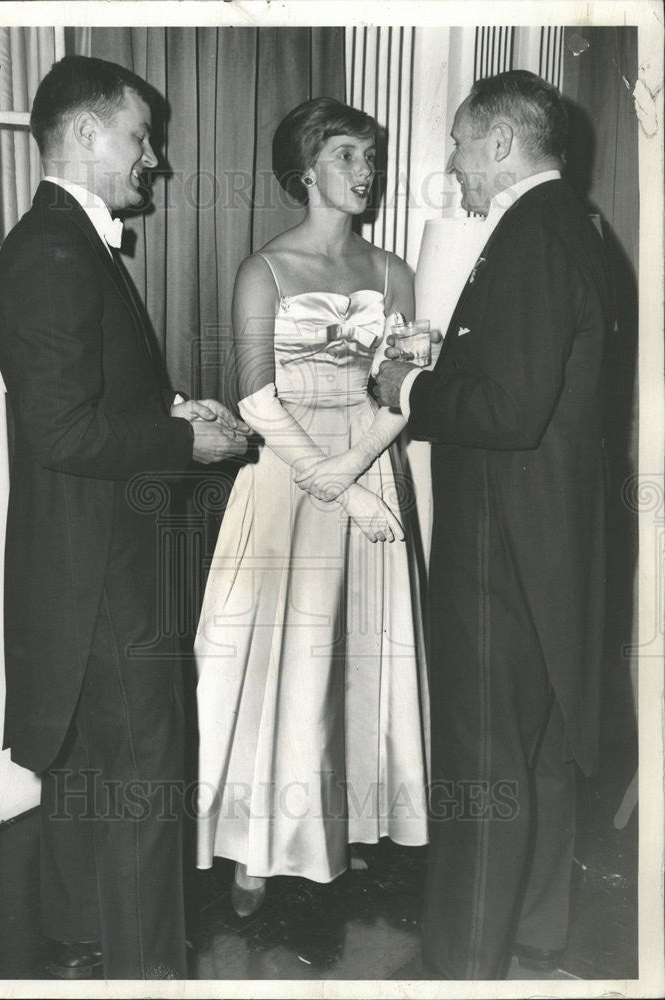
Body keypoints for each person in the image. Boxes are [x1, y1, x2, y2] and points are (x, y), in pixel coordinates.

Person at [0, 55, 250, 980]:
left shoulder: (59, 243)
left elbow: (91, 399)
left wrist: (172, 410)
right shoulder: (58, 252)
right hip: (108, 577)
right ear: (89, 134)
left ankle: (78, 944)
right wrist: (190, 447)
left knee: (89, 775)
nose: (157, 160)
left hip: (87, 565)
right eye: (144, 137)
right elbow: (65, 432)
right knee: (143, 783)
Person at [374, 70, 611, 980]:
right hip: (552, 543)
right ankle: (534, 935)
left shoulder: (531, 236)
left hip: (498, 549)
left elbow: (507, 413)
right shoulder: (574, 229)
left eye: (460, 147)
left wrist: (411, 389)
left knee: (482, 762)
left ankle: (461, 966)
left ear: (502, 145)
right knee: (541, 753)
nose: (452, 167)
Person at [194, 97, 430, 918]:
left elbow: (400, 392)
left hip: (367, 471)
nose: (364, 173)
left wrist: (359, 474)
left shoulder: (394, 271)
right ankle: (256, 849)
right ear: (305, 168)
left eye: (370, 157)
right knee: (276, 668)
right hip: (287, 485)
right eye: (345, 156)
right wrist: (329, 480)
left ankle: (341, 825)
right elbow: (254, 398)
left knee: (356, 665)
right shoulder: (264, 270)